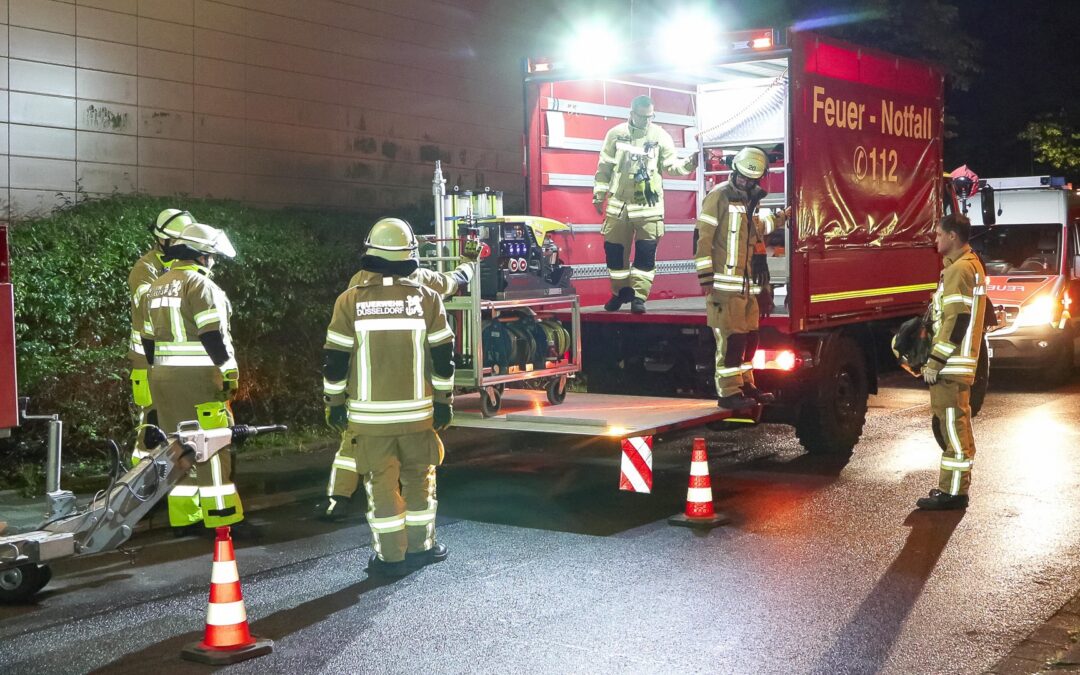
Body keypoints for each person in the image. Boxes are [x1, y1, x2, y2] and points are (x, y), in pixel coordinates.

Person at [322, 217, 455, 576]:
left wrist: (334, 406)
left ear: (370, 252)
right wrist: (444, 401)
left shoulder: (349, 301)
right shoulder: (427, 299)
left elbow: (334, 360)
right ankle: (422, 548)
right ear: (410, 255)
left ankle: (389, 559)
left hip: (370, 420)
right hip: (418, 416)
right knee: (419, 480)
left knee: (380, 486)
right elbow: (444, 357)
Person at [316, 231, 479, 522]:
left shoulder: (357, 287)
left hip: (368, 399)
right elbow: (455, 282)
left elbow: (338, 352)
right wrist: (470, 260)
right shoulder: (423, 284)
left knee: (354, 445)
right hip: (413, 403)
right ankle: (418, 540)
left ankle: (338, 498)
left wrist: (335, 401)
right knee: (417, 473)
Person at [141, 222, 245, 534]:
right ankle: (221, 517)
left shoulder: (157, 286)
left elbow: (147, 341)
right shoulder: (201, 286)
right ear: (200, 256)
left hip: (162, 378)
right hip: (198, 381)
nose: (212, 262)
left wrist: (157, 370)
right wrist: (228, 371)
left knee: (180, 447)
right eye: (211, 256)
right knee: (212, 447)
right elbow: (212, 334)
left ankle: (185, 519)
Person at [694, 147, 784, 410]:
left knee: (749, 339)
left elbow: (755, 229)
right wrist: (705, 277)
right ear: (735, 171)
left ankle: (746, 385)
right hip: (724, 287)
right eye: (742, 177)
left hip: (746, 287)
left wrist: (783, 218)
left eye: (751, 180)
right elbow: (703, 237)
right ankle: (728, 393)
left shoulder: (750, 200)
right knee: (731, 340)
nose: (745, 182)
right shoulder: (719, 196)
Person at [593, 95, 696, 314]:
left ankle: (639, 297)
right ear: (632, 114)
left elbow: (671, 166)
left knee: (645, 255)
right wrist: (599, 195)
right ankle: (620, 293)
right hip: (619, 207)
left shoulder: (660, 136)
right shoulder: (616, 134)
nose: (647, 121)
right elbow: (605, 167)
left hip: (649, 208)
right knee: (614, 253)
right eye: (643, 117)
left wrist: (689, 164)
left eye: (650, 117)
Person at [917, 212, 986, 510]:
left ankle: (953, 493)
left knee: (952, 430)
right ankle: (954, 488)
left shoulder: (959, 270)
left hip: (951, 364)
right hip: (960, 363)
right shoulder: (970, 265)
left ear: (953, 236)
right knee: (956, 426)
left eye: (938, 235)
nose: (935, 240)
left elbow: (956, 320)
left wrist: (935, 359)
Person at [127, 209, 194, 466]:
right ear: (162, 240)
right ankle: (141, 484)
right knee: (152, 425)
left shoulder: (184, 268)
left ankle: (174, 473)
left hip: (177, 362)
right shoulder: (145, 269)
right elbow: (149, 307)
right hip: (148, 361)